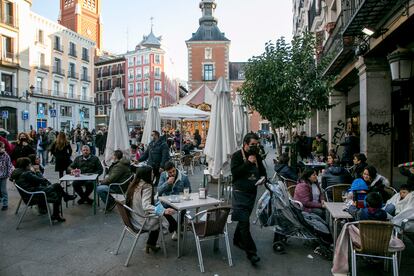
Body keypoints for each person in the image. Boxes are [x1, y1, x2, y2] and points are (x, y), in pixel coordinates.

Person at [231, 133, 266, 265]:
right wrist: (247, 162)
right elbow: (235, 173)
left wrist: (263, 179)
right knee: (245, 223)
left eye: (257, 145)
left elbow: (263, 172)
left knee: (242, 220)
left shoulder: (257, 156)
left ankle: (236, 240)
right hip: (239, 193)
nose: (255, 147)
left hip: (252, 194)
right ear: (245, 144)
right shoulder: (236, 156)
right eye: (252, 145)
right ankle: (252, 253)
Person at [126, 166, 176, 252]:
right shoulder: (146, 186)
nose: (153, 174)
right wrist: (163, 211)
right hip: (141, 221)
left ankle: (152, 243)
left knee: (161, 213)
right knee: (162, 216)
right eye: (151, 173)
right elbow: (146, 206)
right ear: (146, 175)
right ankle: (177, 229)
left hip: (132, 219)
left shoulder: (134, 184)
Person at [10, 157, 76, 221]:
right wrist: (37, 171)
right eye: (30, 164)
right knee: (57, 187)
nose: (31, 165)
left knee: (57, 190)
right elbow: (41, 180)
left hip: (29, 195)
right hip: (35, 195)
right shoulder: (27, 173)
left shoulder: (18, 172)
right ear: (27, 165)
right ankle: (63, 202)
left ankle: (59, 209)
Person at [0, 141, 13, 210]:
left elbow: (9, 165)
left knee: (3, 190)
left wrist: (10, 174)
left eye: (3, 147)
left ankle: (5, 204)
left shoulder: (6, 155)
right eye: (1, 147)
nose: (3, 149)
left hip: (4, 176)